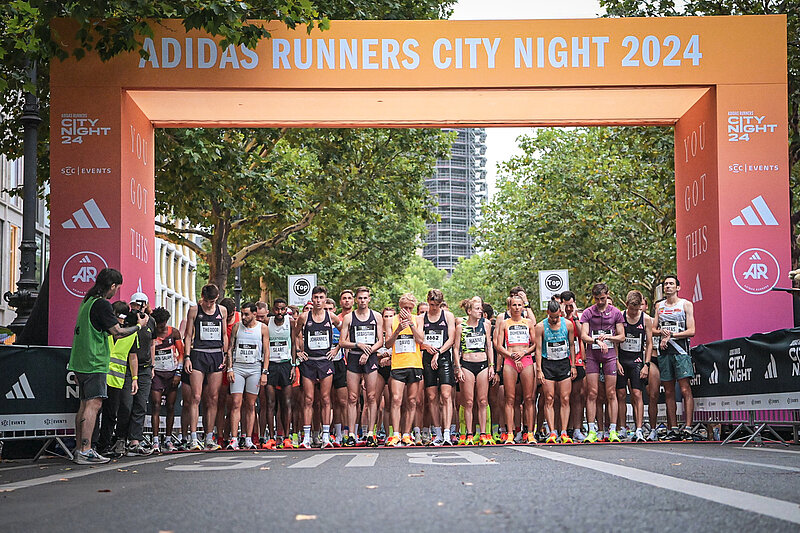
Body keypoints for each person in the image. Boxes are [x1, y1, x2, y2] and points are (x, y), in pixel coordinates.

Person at [69, 268, 148, 464]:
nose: (116, 293)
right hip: (94, 360)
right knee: (93, 404)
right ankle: (86, 450)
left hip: (80, 360)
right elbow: (118, 332)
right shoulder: (101, 304)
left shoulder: (86, 301)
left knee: (84, 403)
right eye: (117, 288)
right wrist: (139, 326)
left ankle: (80, 448)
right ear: (112, 286)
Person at [293, 286, 342, 448]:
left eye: (321, 297)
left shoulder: (331, 317)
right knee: (308, 399)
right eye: (316, 297)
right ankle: (306, 437)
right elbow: (295, 335)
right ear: (312, 299)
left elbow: (345, 331)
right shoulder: (304, 317)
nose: (318, 301)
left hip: (325, 361)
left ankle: (326, 437)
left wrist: (336, 348)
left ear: (325, 299)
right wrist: (299, 351)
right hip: (309, 362)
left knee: (326, 399)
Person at [183, 284, 228, 451]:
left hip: (216, 354)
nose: (210, 305)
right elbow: (188, 336)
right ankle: (194, 437)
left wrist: (225, 355)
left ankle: (209, 436)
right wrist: (187, 357)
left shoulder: (222, 311)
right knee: (196, 396)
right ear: (202, 297)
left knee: (213, 397)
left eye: (213, 301)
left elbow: (224, 334)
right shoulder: (195, 310)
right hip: (198, 354)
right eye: (208, 301)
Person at [580, 283, 625, 443]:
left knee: (611, 393)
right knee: (592, 393)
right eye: (597, 299)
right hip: (593, 354)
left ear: (608, 295)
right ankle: (592, 430)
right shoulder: (587, 313)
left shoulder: (616, 313)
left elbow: (622, 336)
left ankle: (612, 430)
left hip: (610, 355)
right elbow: (584, 336)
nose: (600, 301)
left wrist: (608, 338)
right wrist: (596, 341)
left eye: (603, 298)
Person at [339, 287, 384, 447]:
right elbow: (342, 342)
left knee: (371, 397)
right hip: (354, 359)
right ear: (356, 300)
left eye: (365, 298)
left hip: (370, 359)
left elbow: (381, 340)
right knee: (352, 398)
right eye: (360, 298)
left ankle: (371, 433)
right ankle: (351, 434)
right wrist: (358, 345)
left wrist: (369, 351)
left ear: (369, 299)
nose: (362, 301)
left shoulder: (376, 316)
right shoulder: (349, 318)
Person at [653, 275, 696, 440]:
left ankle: (688, 427)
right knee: (669, 391)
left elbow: (691, 330)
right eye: (666, 284)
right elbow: (654, 329)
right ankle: (673, 428)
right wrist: (661, 333)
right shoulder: (659, 306)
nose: (668, 286)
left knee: (685, 389)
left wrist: (672, 335)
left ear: (678, 287)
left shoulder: (685, 304)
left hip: (681, 351)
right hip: (664, 352)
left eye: (671, 284)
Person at [114, 292, 156, 457]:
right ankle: (120, 438)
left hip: (145, 367)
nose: (135, 309)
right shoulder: (129, 320)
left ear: (145, 305)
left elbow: (152, 343)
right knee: (126, 404)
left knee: (140, 404)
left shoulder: (151, 321)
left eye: (138, 305)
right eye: (133, 306)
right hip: (127, 368)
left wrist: (152, 365)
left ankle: (135, 440)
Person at [226, 302, 269, 450]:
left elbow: (266, 351)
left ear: (254, 314)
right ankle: (234, 438)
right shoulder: (237, 327)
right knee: (236, 402)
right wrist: (229, 368)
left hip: (254, 368)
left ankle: (249, 438)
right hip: (238, 367)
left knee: (251, 404)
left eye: (246, 314)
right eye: (242, 314)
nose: (243, 317)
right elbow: (230, 348)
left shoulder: (262, 328)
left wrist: (264, 372)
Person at [95, 301, 136, 456]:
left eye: (119, 316)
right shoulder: (102, 329)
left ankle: (103, 447)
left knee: (111, 414)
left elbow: (132, 357)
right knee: (94, 411)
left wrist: (135, 378)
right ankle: (91, 445)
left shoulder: (130, 334)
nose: (116, 319)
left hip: (116, 380)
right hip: (99, 375)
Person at [385, 293, 425, 446]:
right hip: (398, 365)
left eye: (410, 308)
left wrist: (411, 325)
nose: (407, 310)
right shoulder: (391, 320)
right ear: (400, 307)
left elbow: (420, 340)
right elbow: (388, 344)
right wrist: (398, 330)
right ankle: (395, 434)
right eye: (404, 308)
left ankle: (407, 434)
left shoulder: (418, 319)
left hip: (414, 364)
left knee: (412, 401)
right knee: (396, 399)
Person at [496, 295, 537, 445]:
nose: (517, 308)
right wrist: (511, 356)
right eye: (514, 305)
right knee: (510, 398)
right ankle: (510, 433)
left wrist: (524, 353)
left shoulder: (529, 322)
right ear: (509, 307)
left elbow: (535, 344)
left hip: (525, 359)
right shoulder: (504, 323)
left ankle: (530, 433)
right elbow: (498, 345)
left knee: (529, 398)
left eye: (520, 305)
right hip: (510, 360)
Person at [454, 297, 495, 445]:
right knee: (469, 401)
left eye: (481, 309)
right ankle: (469, 434)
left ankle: (483, 433)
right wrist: (458, 368)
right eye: (477, 309)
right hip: (467, 364)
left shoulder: (486, 325)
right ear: (469, 311)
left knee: (483, 400)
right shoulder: (460, 327)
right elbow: (456, 348)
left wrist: (491, 365)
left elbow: (489, 346)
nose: (480, 311)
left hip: (483, 364)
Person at [419, 289, 458, 446]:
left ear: (441, 303)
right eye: (431, 304)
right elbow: (419, 338)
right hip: (428, 357)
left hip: (443, 356)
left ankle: (448, 432)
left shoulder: (447, 316)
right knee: (432, 397)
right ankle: (438, 433)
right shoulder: (422, 317)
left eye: (436, 305)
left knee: (446, 395)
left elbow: (451, 339)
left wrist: (439, 352)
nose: (433, 308)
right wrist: (425, 346)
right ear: (428, 301)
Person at [535, 300, 577, 444]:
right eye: (552, 317)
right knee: (549, 398)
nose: (554, 320)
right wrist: (539, 370)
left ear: (560, 313)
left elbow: (572, 345)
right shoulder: (540, 327)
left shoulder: (568, 325)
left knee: (565, 398)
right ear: (548, 313)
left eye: (556, 317)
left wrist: (573, 366)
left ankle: (564, 432)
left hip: (564, 363)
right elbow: (538, 349)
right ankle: (552, 431)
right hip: (548, 364)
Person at [615, 290, 652, 443]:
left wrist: (647, 365)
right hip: (622, 360)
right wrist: (616, 361)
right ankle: (623, 427)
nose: (634, 312)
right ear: (626, 305)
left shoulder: (646, 319)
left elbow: (649, 344)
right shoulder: (620, 317)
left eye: (637, 309)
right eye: (631, 309)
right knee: (621, 395)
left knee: (637, 394)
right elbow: (616, 341)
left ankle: (638, 428)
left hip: (637, 360)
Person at [261, 298, 295, 449]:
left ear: (286, 309)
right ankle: (272, 437)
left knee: (286, 402)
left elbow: (294, 343)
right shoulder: (267, 322)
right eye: (277, 309)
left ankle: (287, 437)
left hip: (286, 364)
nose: (280, 312)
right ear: (273, 310)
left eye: (282, 309)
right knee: (270, 402)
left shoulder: (291, 321)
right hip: (271, 365)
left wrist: (294, 365)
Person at [150, 307, 184, 452]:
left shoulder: (174, 332)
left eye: (163, 323)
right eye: (158, 324)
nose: (161, 327)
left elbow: (182, 353)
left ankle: (168, 439)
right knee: (156, 405)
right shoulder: (151, 332)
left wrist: (178, 373)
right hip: (157, 373)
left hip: (171, 372)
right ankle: (156, 440)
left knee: (170, 406)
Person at [561, 291, 586, 442]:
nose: (569, 309)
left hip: (577, 360)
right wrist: (563, 315)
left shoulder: (580, 317)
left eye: (571, 305)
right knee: (562, 397)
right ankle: (561, 429)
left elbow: (583, 334)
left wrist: (575, 316)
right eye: (566, 306)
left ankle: (577, 428)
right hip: (561, 360)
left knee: (577, 396)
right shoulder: (557, 318)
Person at [325, 297, 348, 446]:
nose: (327, 312)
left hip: (340, 363)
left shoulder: (339, 324)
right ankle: (329, 433)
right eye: (324, 309)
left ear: (334, 310)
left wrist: (337, 348)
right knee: (326, 400)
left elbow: (345, 338)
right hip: (323, 364)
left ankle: (343, 433)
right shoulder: (317, 323)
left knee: (342, 401)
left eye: (329, 309)